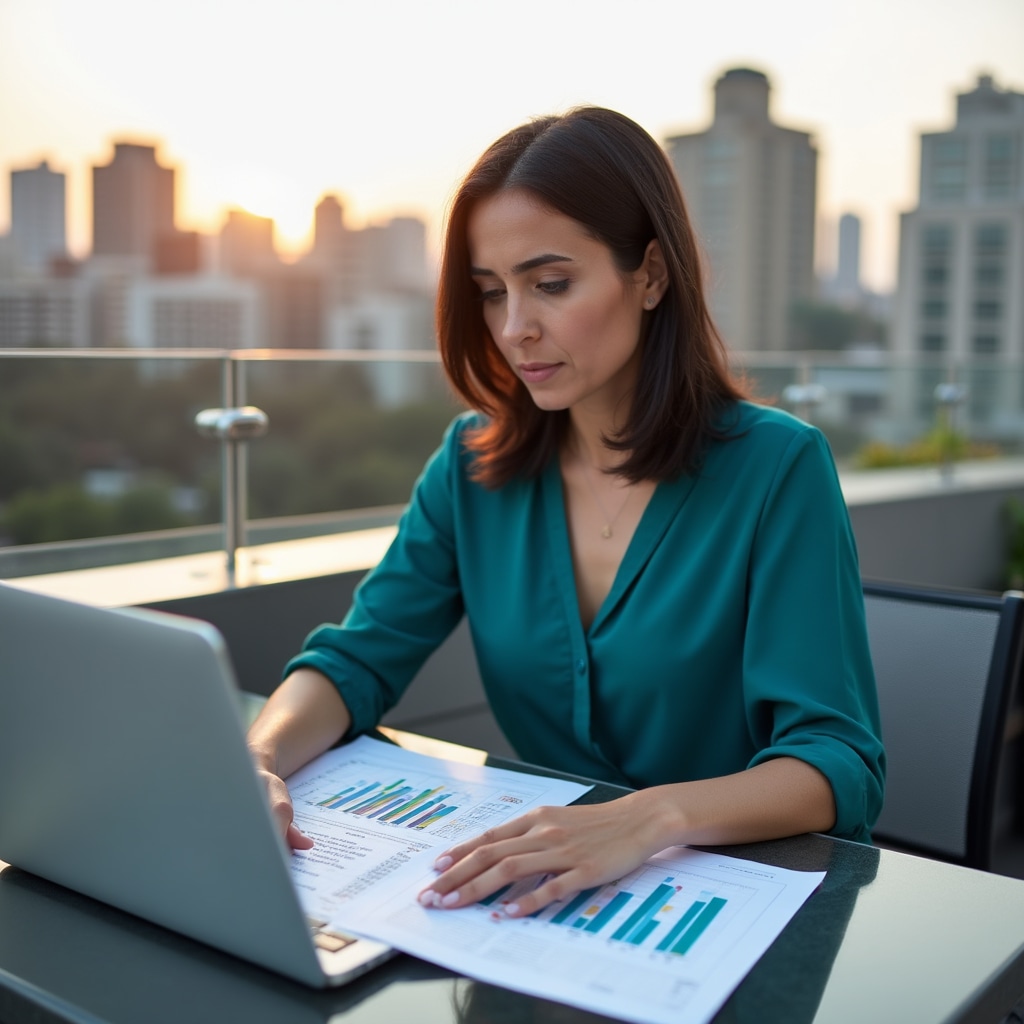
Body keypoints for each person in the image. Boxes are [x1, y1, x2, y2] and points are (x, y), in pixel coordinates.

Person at [247, 107, 885, 920]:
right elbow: (356, 662)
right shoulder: (472, 464)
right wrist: (258, 759)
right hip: (545, 907)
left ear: (650, 274)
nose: (516, 328)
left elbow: (837, 762)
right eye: (491, 292)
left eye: (551, 284)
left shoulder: (777, 468)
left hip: (728, 905)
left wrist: (645, 819)